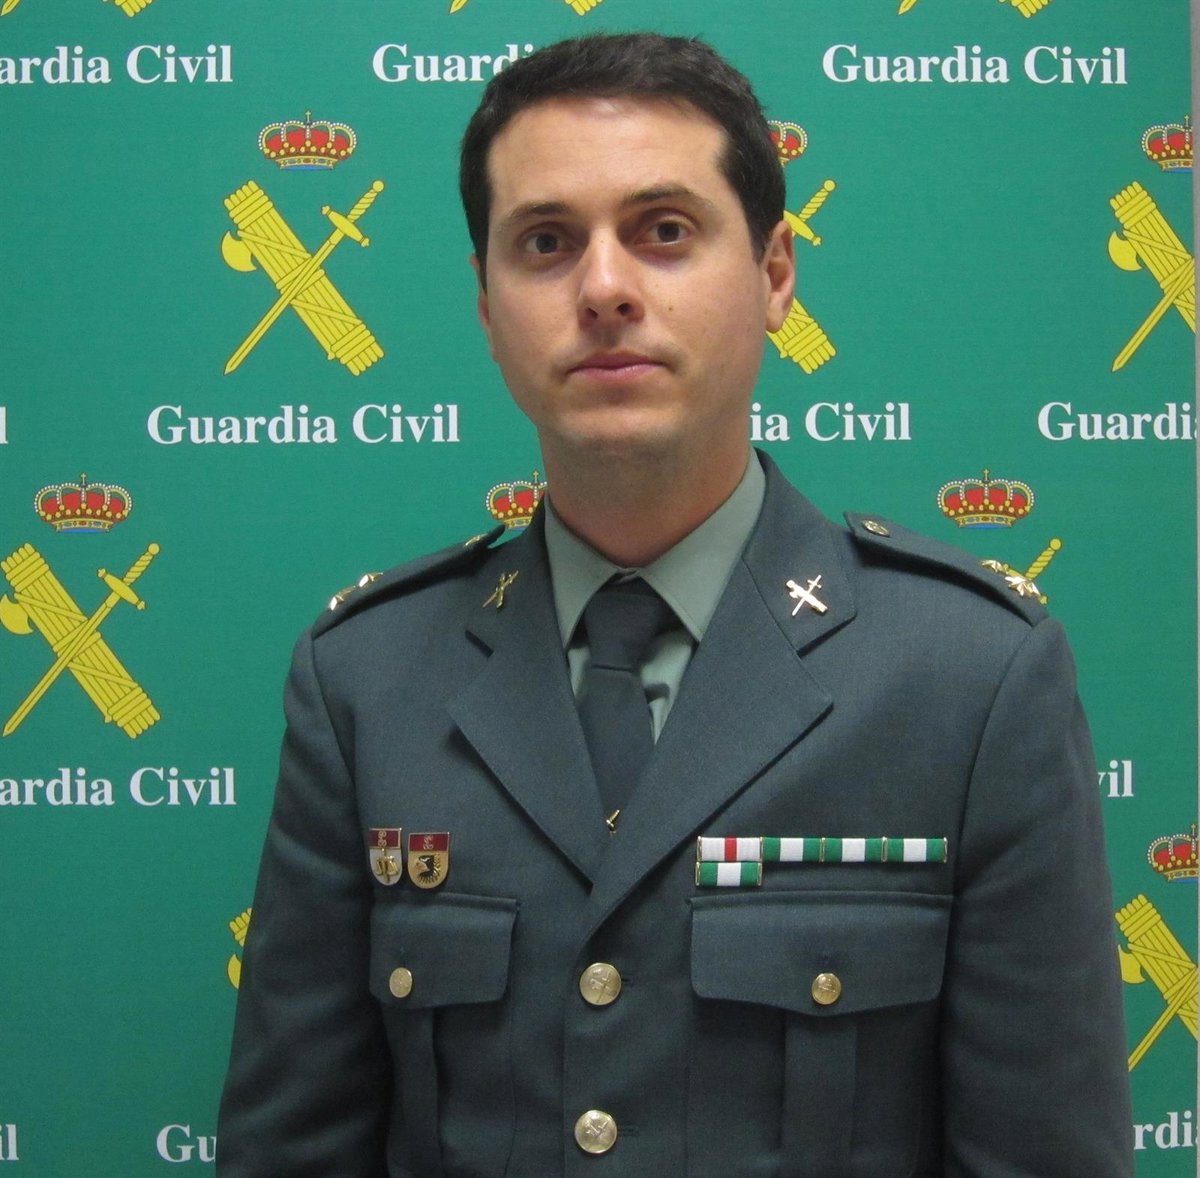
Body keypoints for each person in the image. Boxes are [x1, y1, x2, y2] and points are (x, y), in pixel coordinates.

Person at [218, 32, 1133, 1177]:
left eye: (663, 230)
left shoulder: (969, 679)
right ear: (488, 307)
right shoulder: (367, 680)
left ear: (775, 274)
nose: (604, 288)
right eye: (545, 242)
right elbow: (292, 1147)